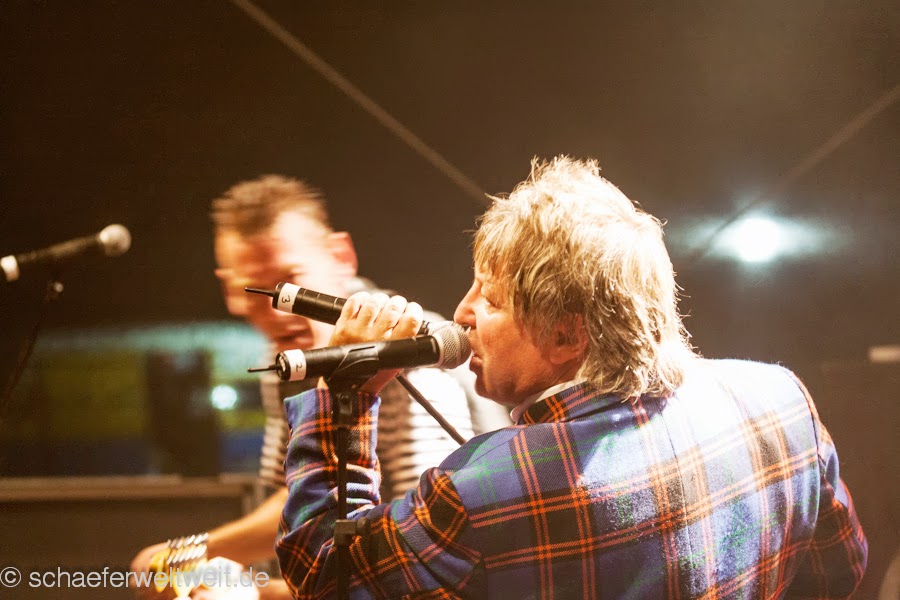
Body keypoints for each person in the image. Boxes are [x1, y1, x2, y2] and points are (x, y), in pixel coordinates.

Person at [276, 157, 868, 598]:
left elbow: (322, 573)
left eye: (492, 298)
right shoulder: (778, 399)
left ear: (566, 335)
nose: (461, 313)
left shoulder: (481, 489)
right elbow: (839, 574)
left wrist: (343, 397)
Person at [130, 175, 506, 598]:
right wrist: (190, 557)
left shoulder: (407, 355)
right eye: (254, 290)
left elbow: (422, 552)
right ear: (230, 292)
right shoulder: (288, 361)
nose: (276, 311)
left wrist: (249, 590)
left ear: (341, 256)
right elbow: (299, 494)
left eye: (290, 280)